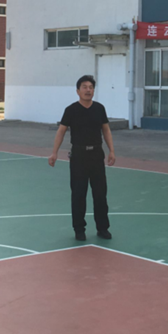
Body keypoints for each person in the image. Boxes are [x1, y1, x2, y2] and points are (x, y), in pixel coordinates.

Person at [48, 75, 116, 241]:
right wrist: (54, 152)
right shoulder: (71, 110)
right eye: (84, 87)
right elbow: (61, 131)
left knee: (100, 194)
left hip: (96, 155)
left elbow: (106, 130)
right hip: (79, 156)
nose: (88, 90)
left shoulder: (99, 108)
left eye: (91, 87)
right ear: (78, 91)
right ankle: (79, 229)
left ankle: (103, 228)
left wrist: (111, 151)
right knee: (79, 194)